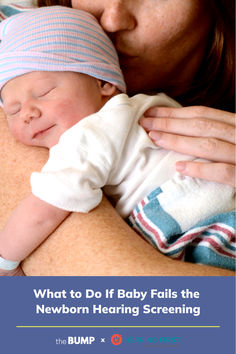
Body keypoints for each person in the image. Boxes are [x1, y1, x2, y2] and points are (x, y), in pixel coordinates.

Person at [0, 0, 235, 276]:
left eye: (44, 92)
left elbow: (43, 212)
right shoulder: (21, 40)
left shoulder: (91, 134)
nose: (111, 20)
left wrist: (5, 263)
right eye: (12, 110)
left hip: (200, 220)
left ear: (104, 83)